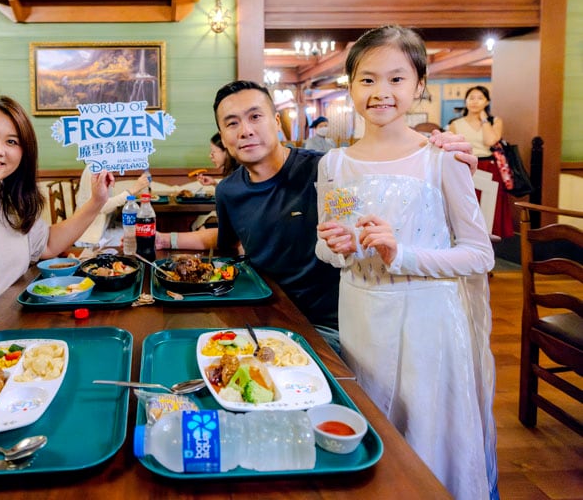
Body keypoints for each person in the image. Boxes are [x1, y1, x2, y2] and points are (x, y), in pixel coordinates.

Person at [315, 25, 497, 500]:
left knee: (425, 437)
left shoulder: (440, 159)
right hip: (360, 317)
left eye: (396, 79)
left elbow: (480, 254)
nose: (381, 92)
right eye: (367, 79)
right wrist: (337, 245)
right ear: (350, 86)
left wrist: (403, 253)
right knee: (372, 429)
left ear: (419, 85)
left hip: (428, 323)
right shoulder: (332, 165)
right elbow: (328, 249)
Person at [155, 80, 478, 348]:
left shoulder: (325, 168)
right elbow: (228, 249)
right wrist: (163, 241)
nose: (245, 130)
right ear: (223, 136)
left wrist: (437, 156)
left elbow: (389, 192)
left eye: (256, 117)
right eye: (232, 123)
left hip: (334, 323)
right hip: (263, 314)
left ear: (276, 123)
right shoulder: (228, 190)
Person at [0, 95, 113, 299]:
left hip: (8, 321)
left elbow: (46, 245)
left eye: (11, 141)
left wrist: (97, 201)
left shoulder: (10, 195)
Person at [449, 85, 514, 238]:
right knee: (467, 205)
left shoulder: (494, 121)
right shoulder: (455, 124)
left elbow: (490, 140)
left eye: (480, 98)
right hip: (465, 167)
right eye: (471, 98)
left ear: (487, 102)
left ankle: (488, 242)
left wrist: (484, 120)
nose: (475, 102)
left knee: (490, 208)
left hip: (489, 167)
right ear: (465, 101)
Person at [74, 164, 150, 247]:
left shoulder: (104, 168)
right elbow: (101, 206)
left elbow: (106, 205)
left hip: (102, 231)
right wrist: (132, 190)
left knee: (141, 231)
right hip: (90, 238)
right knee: (140, 236)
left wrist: (130, 194)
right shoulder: (93, 169)